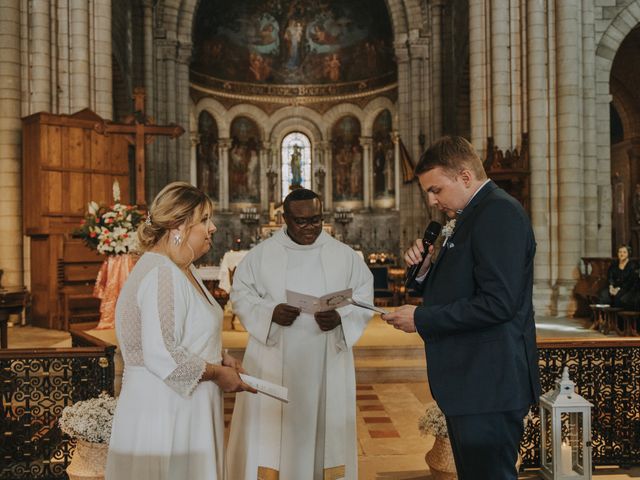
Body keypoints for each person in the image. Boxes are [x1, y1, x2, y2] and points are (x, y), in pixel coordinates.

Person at [383, 136, 541, 480]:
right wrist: (424, 271)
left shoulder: (498, 213)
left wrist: (422, 318)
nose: (432, 200)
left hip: (489, 383)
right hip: (474, 384)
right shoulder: (472, 215)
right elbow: (464, 287)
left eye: (436, 189)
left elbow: (498, 304)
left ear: (465, 177)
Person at [106, 182, 255, 480]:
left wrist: (221, 356)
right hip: (165, 409)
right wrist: (216, 373)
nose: (212, 228)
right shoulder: (161, 272)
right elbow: (163, 353)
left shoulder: (182, 268)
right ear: (178, 225)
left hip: (189, 405)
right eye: (204, 220)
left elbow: (184, 331)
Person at [226, 188, 374, 480]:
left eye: (316, 220)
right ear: (284, 219)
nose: (310, 228)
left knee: (322, 431)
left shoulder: (344, 256)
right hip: (274, 356)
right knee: (276, 432)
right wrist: (270, 314)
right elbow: (241, 296)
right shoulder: (260, 256)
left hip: (326, 356)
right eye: (301, 222)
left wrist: (341, 318)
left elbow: (363, 297)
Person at [597, 244, 638, 309]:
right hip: (613, 288)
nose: (622, 254)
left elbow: (630, 281)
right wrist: (611, 287)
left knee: (618, 297)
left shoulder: (632, 266)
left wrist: (618, 289)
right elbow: (610, 277)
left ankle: (617, 318)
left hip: (626, 289)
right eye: (620, 252)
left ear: (628, 254)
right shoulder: (614, 264)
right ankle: (602, 317)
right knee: (603, 295)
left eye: (624, 252)